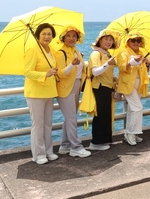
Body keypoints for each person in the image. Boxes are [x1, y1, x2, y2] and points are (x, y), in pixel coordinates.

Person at [24, 23, 59, 165]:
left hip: (49, 91)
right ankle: (38, 154)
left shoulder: (51, 49)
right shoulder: (32, 49)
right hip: (36, 93)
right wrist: (46, 73)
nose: (47, 36)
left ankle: (48, 151)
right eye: (44, 34)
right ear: (38, 35)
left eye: (49, 34)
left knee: (48, 123)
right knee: (38, 124)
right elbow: (27, 71)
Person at [55, 25, 91, 157]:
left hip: (76, 86)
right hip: (65, 89)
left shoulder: (74, 51)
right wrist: (72, 65)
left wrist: (77, 60)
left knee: (69, 118)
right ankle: (76, 147)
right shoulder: (60, 52)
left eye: (74, 36)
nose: (71, 38)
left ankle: (65, 145)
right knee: (71, 118)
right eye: (68, 36)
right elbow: (60, 74)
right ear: (63, 38)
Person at [116, 31, 150, 146]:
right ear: (128, 41)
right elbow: (121, 67)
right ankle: (131, 133)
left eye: (138, 40)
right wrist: (132, 62)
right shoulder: (122, 52)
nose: (136, 43)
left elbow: (144, 70)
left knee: (132, 109)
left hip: (138, 84)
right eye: (133, 40)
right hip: (127, 84)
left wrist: (146, 63)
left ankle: (130, 133)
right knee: (137, 108)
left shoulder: (141, 53)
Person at [88, 29, 120, 151]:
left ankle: (105, 139)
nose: (108, 42)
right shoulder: (96, 54)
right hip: (99, 86)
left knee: (106, 114)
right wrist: (108, 64)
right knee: (100, 115)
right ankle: (96, 142)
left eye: (110, 40)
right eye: (106, 39)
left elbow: (105, 72)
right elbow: (95, 72)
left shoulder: (106, 54)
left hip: (107, 86)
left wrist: (113, 77)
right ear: (99, 40)